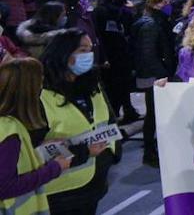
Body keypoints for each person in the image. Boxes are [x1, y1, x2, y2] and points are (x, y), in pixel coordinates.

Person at [39, 30, 116, 215]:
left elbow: (108, 121)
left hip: (94, 186)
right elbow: (33, 151)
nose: (89, 55)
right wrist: (82, 151)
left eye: (90, 49)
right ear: (63, 53)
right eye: (82, 50)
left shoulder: (92, 85)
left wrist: (112, 153)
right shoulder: (40, 95)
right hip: (60, 193)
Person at [0, 58, 69, 214]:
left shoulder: (8, 124)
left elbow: (13, 162)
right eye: (40, 81)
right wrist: (54, 168)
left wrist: (37, 151)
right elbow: (4, 186)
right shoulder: (9, 132)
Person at [130, 0, 176, 167]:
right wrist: (163, 74)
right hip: (154, 76)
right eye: (166, 2)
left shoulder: (157, 21)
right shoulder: (150, 25)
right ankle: (149, 152)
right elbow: (148, 53)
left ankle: (154, 149)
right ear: (157, 3)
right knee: (153, 114)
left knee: (156, 113)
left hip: (156, 74)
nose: (169, 5)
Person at [90, 0, 138, 125]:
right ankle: (114, 116)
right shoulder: (101, 11)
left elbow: (129, 29)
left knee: (125, 84)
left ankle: (128, 110)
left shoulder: (124, 10)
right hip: (110, 55)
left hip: (124, 53)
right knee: (113, 87)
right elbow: (99, 35)